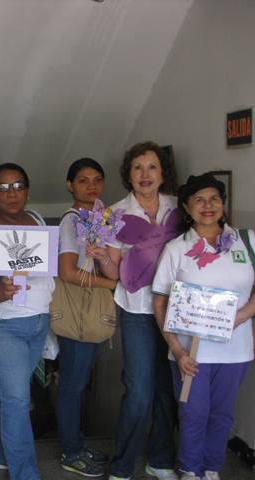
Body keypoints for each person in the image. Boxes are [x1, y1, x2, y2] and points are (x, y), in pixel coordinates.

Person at [153, 172, 255, 480]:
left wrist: (240, 316)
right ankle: (190, 469)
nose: (208, 206)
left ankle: (211, 469)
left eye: (214, 199)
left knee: (222, 416)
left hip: (235, 351)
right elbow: (160, 302)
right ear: (186, 207)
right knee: (193, 414)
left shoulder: (247, 240)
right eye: (199, 200)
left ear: (223, 203)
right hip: (190, 353)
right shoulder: (176, 249)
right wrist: (176, 349)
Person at [0, 162, 54, 480]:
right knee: (18, 400)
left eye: (18, 185)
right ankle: (25, 474)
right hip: (5, 325)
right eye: (4, 188)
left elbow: (46, 269)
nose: (12, 193)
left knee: (7, 395)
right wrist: (0, 291)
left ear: (28, 189)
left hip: (37, 323)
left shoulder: (35, 220)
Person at [104, 141, 181, 480]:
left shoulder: (180, 208)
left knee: (167, 388)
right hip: (136, 309)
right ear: (128, 175)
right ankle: (122, 465)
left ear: (163, 173)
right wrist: (99, 253)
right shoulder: (115, 214)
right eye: (138, 167)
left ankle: (161, 459)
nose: (145, 174)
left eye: (152, 167)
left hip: (177, 310)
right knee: (138, 391)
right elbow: (111, 272)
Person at [57, 158, 116, 477]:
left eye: (97, 179)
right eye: (82, 180)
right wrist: (112, 285)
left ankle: (76, 444)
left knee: (76, 384)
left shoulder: (97, 219)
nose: (91, 186)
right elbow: (67, 272)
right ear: (70, 185)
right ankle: (71, 452)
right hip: (78, 311)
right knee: (72, 386)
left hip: (86, 310)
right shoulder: (71, 221)